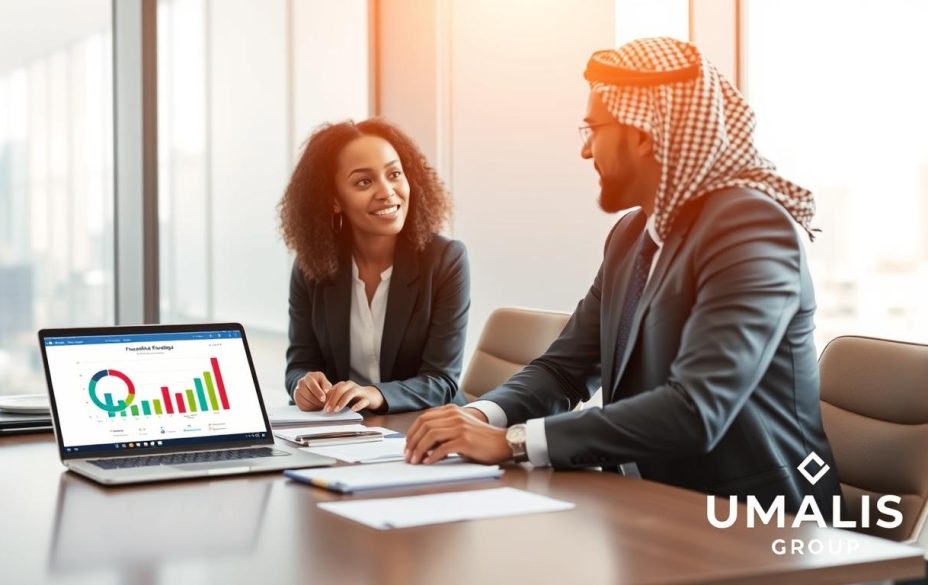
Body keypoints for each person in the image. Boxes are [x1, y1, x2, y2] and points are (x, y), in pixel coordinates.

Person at [405, 37, 842, 512]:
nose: (585, 151)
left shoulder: (750, 227)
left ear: (640, 132)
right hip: (648, 506)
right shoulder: (632, 236)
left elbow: (697, 410)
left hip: (756, 522)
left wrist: (512, 442)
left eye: (592, 129)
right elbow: (564, 370)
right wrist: (478, 416)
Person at [279, 118, 470, 414]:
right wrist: (303, 385)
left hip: (423, 427)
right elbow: (300, 364)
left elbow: (442, 380)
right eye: (364, 182)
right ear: (333, 200)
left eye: (394, 174)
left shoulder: (446, 260)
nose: (387, 191)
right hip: (343, 432)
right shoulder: (312, 266)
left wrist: (375, 394)